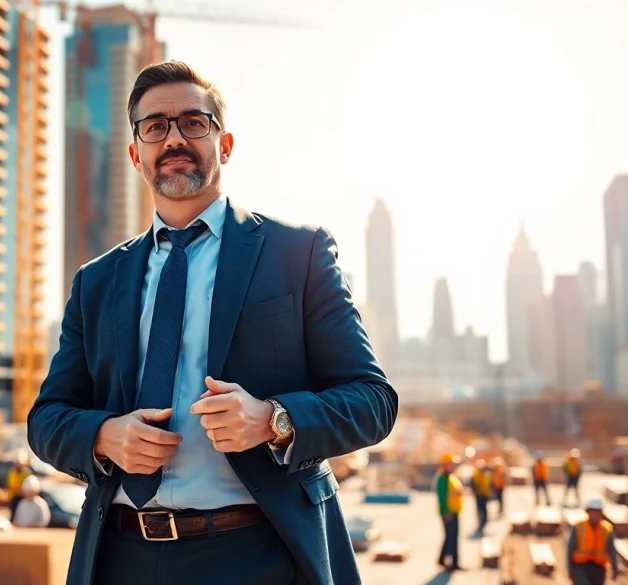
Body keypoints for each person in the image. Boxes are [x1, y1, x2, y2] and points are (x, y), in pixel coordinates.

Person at [27, 60, 398, 585]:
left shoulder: (299, 253)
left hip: (262, 553)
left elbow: (374, 402)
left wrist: (274, 419)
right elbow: (46, 420)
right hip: (121, 557)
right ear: (137, 154)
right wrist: (105, 435)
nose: (174, 137)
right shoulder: (96, 281)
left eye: (193, 122)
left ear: (224, 144)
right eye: (155, 126)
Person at [566, 498, 618, 584]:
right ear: (588, 512)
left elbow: (612, 549)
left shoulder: (607, 529)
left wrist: (614, 567)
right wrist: (569, 568)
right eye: (593, 511)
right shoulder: (579, 527)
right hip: (580, 567)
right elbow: (570, 548)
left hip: (599, 568)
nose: (596, 514)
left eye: (598, 512)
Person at [435, 453, 463, 571]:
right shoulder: (442, 478)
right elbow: (442, 497)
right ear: (445, 465)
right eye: (451, 464)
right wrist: (446, 512)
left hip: (454, 511)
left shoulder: (451, 477)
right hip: (448, 512)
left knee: (452, 537)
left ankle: (444, 560)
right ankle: (451, 563)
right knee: (451, 537)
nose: (453, 466)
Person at [7, 455, 31, 522]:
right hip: (13, 494)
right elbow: (10, 483)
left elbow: (27, 483)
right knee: (13, 509)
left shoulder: (26, 473)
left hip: (22, 495)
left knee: (21, 510)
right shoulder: (12, 472)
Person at [471, 459, 492, 532]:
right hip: (478, 494)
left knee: (484, 508)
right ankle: (480, 522)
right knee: (479, 509)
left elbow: (489, 483)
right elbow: (472, 483)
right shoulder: (475, 474)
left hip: (484, 494)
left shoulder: (486, 474)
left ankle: (484, 522)